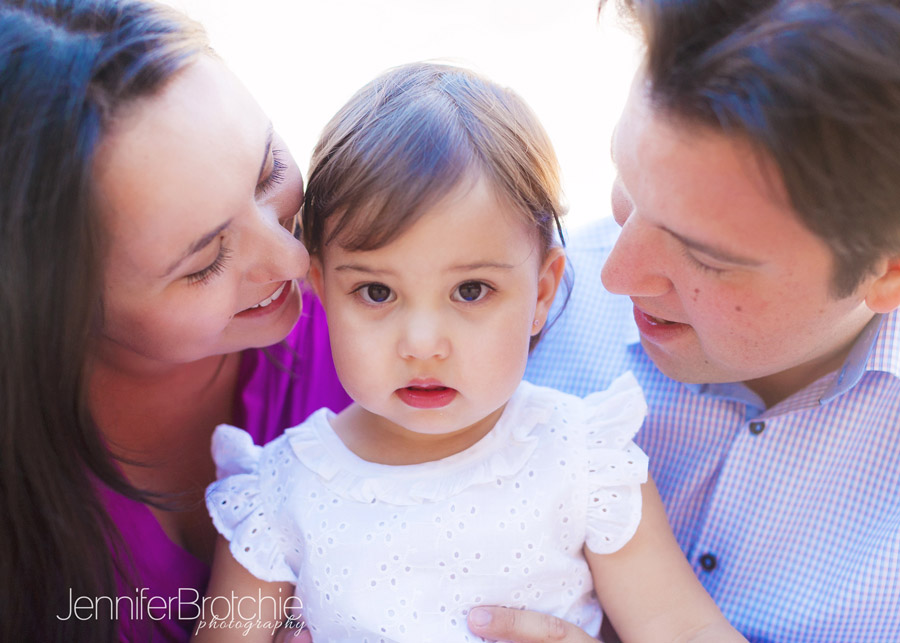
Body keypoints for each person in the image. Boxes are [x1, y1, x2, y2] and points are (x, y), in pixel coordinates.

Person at [197, 62, 745, 642]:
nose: (424, 344)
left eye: (471, 291)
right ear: (323, 289)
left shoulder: (581, 459)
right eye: (377, 292)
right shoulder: (279, 492)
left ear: (540, 292)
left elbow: (680, 626)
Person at [466, 1, 900, 642]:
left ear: (887, 271)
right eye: (625, 181)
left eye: (705, 257)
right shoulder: (502, 303)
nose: (614, 275)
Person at [0, 1, 350, 641]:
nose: (296, 258)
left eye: (269, 169)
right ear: (54, 305)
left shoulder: (393, 311)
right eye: (206, 262)